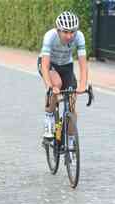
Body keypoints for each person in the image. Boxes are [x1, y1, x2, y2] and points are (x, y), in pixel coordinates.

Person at [37, 11, 88, 149]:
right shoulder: (50, 36)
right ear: (58, 30)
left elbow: (83, 65)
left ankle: (71, 142)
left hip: (66, 66)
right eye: (65, 32)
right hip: (49, 65)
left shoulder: (79, 37)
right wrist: (49, 86)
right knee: (56, 84)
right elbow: (45, 65)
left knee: (71, 107)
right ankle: (49, 120)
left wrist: (82, 85)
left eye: (72, 32)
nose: (69, 36)